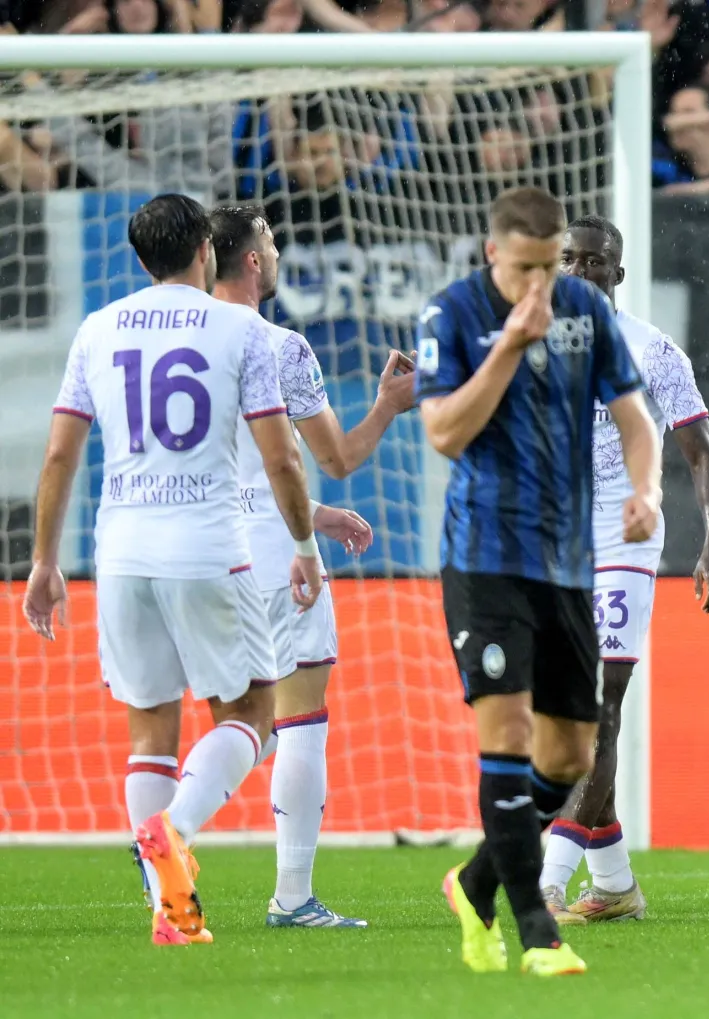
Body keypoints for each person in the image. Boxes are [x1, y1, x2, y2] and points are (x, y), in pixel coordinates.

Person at [22, 193, 320, 946]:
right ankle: (172, 830)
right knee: (251, 713)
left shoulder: (100, 327)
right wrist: (306, 545)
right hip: (207, 548)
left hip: (118, 552)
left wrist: (43, 561)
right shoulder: (242, 329)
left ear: (141, 258)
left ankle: (172, 910)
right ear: (206, 253)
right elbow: (281, 454)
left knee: (150, 730)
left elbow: (59, 453)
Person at [415, 186, 662, 977]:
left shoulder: (586, 308)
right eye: (525, 268)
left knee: (570, 754)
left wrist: (645, 489)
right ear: (494, 253)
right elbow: (446, 433)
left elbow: (634, 416)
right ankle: (536, 930)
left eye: (550, 267)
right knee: (510, 736)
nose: (539, 286)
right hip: (485, 557)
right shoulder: (450, 315)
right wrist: (511, 345)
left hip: (567, 563)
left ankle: (475, 879)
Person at [208, 203, 417, 929]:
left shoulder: (173, 337)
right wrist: (389, 405)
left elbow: (234, 461)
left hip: (199, 551)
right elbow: (335, 458)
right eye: (271, 239)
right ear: (254, 263)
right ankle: (292, 895)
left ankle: (162, 834)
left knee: (235, 722)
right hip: (273, 555)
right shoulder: (279, 344)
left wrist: (314, 514)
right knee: (298, 720)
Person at [539, 214, 709, 924]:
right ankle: (615, 883)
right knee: (558, 712)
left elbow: (701, 452)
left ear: (617, 274)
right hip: (554, 542)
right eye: (569, 259)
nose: (580, 271)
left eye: (594, 262)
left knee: (599, 705)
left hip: (625, 536)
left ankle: (548, 877)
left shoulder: (653, 351)